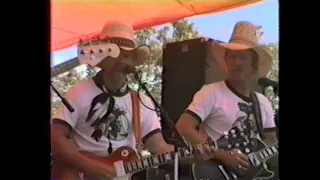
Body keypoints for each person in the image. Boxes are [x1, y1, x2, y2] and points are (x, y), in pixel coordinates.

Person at [51, 21, 216, 180]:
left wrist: (192, 156)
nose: (121, 60)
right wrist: (92, 167)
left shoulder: (141, 101)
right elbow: (56, 138)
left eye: (127, 55)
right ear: (102, 57)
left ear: (132, 61)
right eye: (114, 53)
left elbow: (159, 147)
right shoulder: (79, 92)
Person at [176, 21, 278, 179]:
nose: (236, 62)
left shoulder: (263, 102)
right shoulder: (211, 92)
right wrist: (223, 156)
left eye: (242, 57)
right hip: (215, 171)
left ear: (253, 63)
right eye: (232, 56)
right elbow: (184, 127)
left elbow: (270, 140)